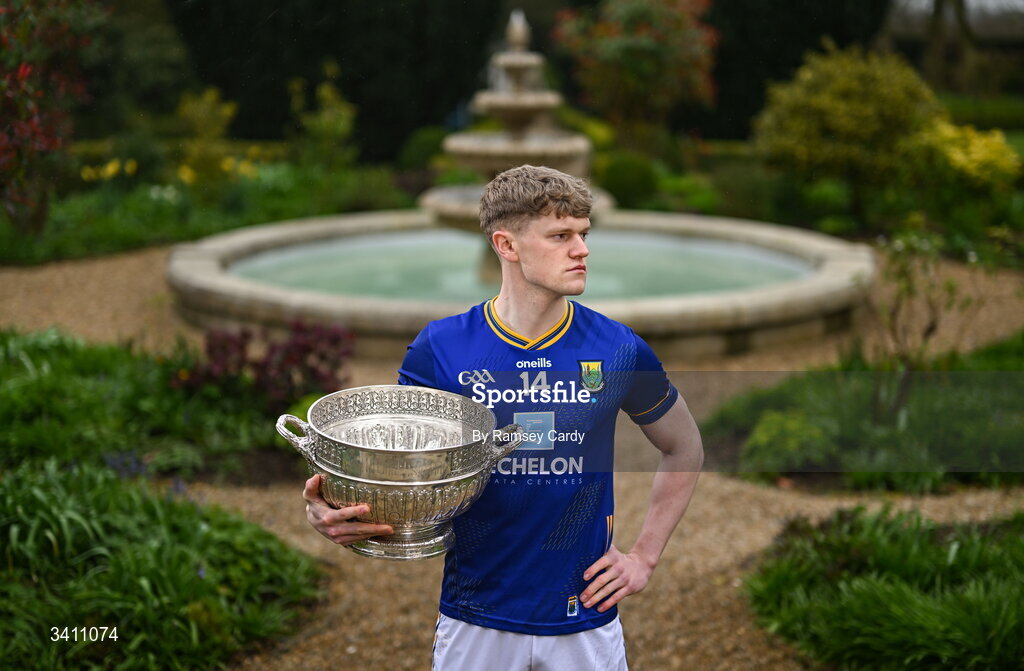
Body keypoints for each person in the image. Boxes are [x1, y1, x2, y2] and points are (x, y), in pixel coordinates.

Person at [303, 165, 703, 670]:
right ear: (507, 245)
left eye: (583, 234)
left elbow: (683, 447)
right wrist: (328, 508)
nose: (581, 250)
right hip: (475, 616)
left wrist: (644, 556)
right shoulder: (442, 348)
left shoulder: (619, 348)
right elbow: (399, 473)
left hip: (584, 617)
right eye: (560, 236)